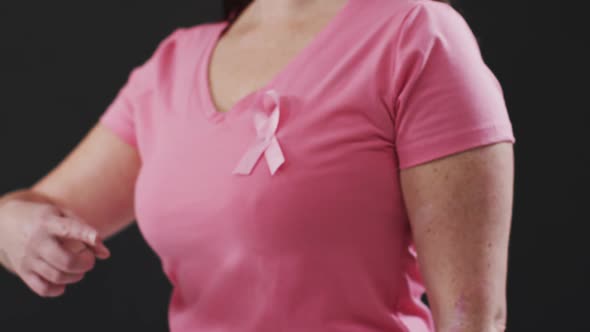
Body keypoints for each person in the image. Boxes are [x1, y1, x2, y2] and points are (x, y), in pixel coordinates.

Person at [0, 0, 516, 331]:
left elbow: (473, 319)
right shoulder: (174, 64)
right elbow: (37, 208)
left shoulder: (417, 36)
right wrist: (10, 227)